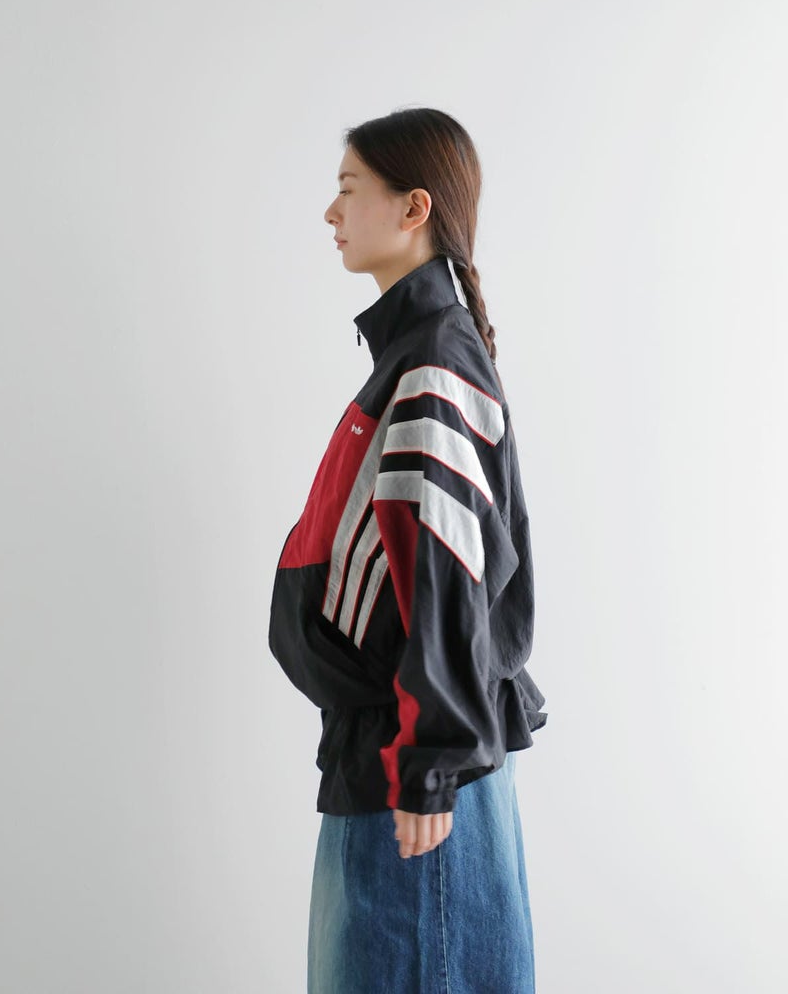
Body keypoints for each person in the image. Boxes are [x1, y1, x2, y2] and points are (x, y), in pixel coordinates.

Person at [267, 106, 548, 993]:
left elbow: (448, 570)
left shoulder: (431, 364)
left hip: (413, 784)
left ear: (413, 206)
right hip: (395, 764)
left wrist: (430, 765)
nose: (332, 211)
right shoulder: (418, 356)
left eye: (350, 188)